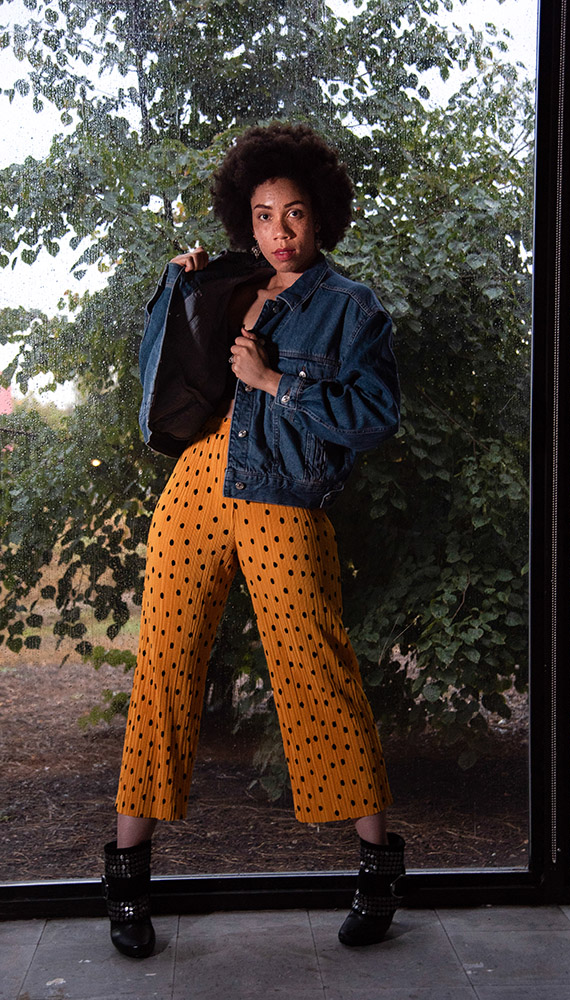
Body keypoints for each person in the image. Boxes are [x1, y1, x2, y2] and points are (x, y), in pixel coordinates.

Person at [101, 123, 404, 959]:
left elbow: (377, 415)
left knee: (316, 670)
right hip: (196, 487)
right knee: (162, 666)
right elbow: (158, 375)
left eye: (295, 213)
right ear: (247, 219)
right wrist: (177, 290)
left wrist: (278, 380)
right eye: (265, 214)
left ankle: (378, 871)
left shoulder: (349, 305)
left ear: (322, 218)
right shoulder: (233, 281)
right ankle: (127, 886)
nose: (279, 229)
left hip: (282, 498)